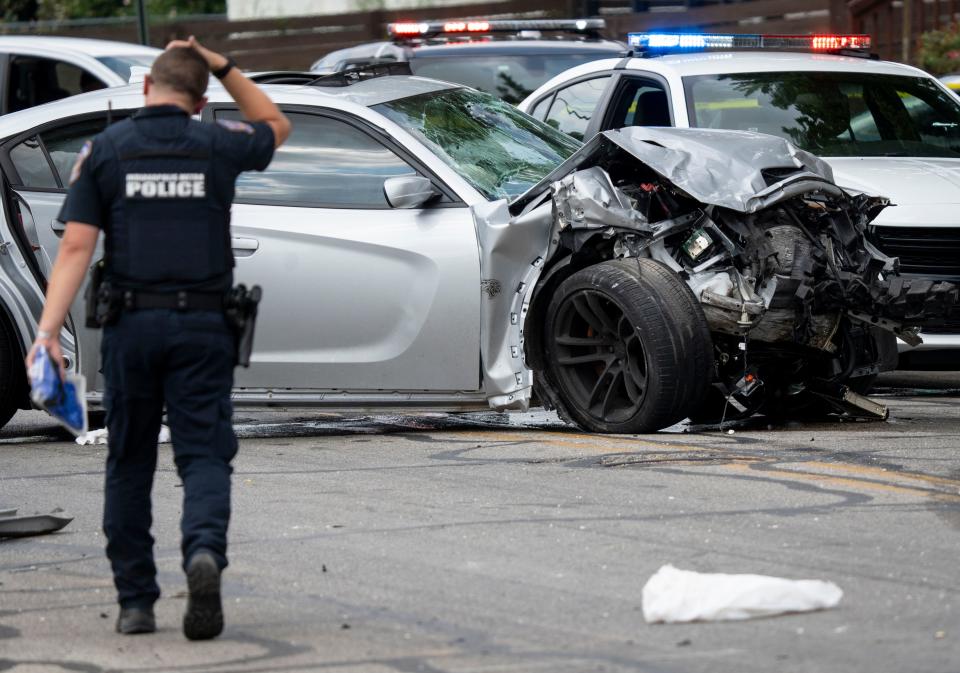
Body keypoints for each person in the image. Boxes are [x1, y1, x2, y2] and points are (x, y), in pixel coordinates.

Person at [25, 37, 290, 640]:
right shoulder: (219, 144)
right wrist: (221, 64)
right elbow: (276, 123)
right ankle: (201, 553)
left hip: (131, 327)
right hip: (203, 326)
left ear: (146, 90)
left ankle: (136, 603)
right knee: (203, 455)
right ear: (200, 103)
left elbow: (74, 247)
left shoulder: (106, 151)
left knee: (129, 461)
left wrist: (46, 334)